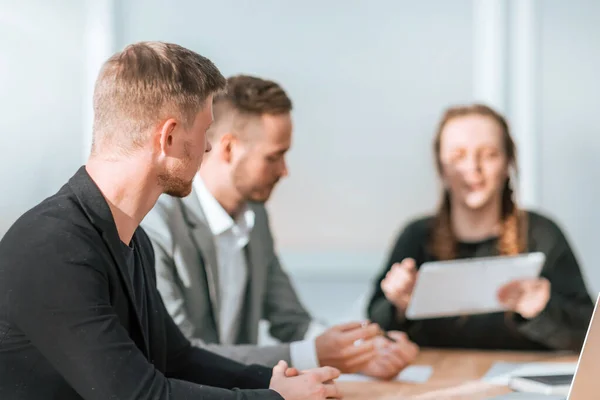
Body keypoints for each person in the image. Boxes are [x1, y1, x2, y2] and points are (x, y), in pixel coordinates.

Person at [0, 42, 342, 400]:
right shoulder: (53, 248)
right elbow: (140, 396)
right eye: (205, 131)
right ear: (169, 137)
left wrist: (270, 382)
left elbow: (177, 358)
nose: (209, 148)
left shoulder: (132, 240)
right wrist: (278, 399)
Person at [141, 74, 419, 381]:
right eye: (274, 157)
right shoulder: (158, 224)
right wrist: (313, 354)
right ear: (229, 149)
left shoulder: (255, 218)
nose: (284, 171)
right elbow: (180, 353)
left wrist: (363, 351)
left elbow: (291, 320)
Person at [367, 103, 594, 352]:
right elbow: (374, 328)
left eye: (488, 154)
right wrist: (399, 306)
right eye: (458, 156)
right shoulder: (416, 236)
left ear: (508, 163)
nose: (473, 168)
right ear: (441, 167)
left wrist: (542, 311)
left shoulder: (542, 234)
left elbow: (589, 337)